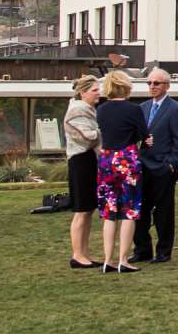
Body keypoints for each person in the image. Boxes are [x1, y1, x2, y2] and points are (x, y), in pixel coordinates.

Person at [93, 71, 148, 274]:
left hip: (107, 159)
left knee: (109, 212)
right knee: (129, 210)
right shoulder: (133, 109)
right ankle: (123, 259)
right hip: (127, 159)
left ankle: (108, 259)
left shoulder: (102, 109)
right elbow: (144, 134)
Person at [132, 67, 178, 266]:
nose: (152, 86)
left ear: (167, 85)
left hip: (163, 168)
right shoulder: (143, 108)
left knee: (164, 212)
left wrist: (171, 164)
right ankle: (142, 249)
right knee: (141, 211)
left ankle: (163, 251)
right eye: (149, 83)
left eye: (157, 83)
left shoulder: (175, 108)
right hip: (142, 167)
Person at [63, 75, 102, 269]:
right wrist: (105, 130)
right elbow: (86, 138)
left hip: (88, 161)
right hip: (81, 162)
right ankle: (77, 254)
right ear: (83, 92)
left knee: (88, 210)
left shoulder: (87, 110)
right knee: (81, 210)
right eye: (95, 90)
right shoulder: (77, 110)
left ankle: (84, 252)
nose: (99, 93)